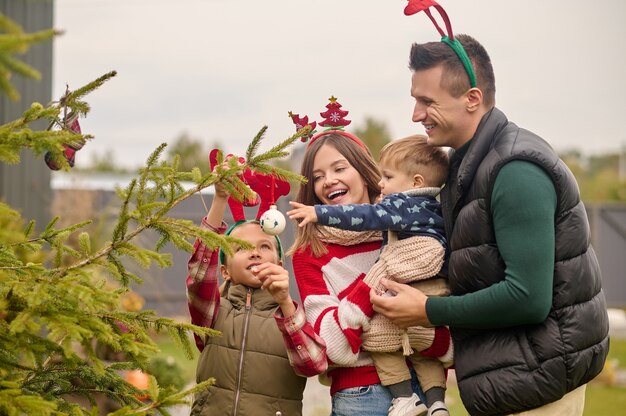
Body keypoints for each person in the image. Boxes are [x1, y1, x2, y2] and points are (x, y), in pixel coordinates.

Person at [370, 20, 610, 416]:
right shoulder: (468, 165)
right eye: (415, 100)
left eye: (428, 101)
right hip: (519, 377)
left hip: (539, 388)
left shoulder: (515, 170)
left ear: (472, 98)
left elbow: (528, 298)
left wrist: (427, 311)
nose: (416, 114)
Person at [287, 101, 453, 416]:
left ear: (365, 174)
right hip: (362, 395)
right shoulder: (311, 254)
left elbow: (450, 320)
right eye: (318, 176)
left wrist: (429, 336)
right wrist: (380, 273)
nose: (329, 181)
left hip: (428, 390)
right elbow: (333, 346)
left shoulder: (405, 229)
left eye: (339, 169)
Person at [186, 157, 327, 416]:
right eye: (241, 248)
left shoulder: (291, 315)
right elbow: (199, 274)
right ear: (225, 271)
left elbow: (313, 364)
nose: (255, 253)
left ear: (279, 265)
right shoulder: (213, 313)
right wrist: (219, 199)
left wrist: (285, 303)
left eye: (265, 247)